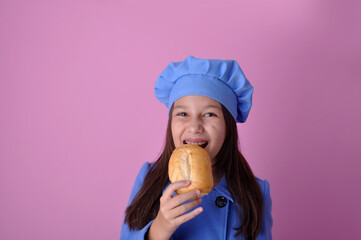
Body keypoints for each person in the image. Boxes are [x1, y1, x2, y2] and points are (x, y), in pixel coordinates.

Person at [120, 56, 273, 240]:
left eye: (209, 114)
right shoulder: (149, 178)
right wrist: (160, 229)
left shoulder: (254, 191)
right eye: (183, 113)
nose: (194, 126)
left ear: (228, 126)